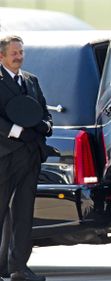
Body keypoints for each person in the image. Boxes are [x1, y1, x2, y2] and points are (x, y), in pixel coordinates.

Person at [0, 35, 52, 281]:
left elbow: (43, 110)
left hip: (30, 155)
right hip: (4, 156)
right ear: (1, 56)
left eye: (21, 52)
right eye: (14, 53)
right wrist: (18, 131)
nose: (19, 56)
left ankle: (18, 267)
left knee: (24, 214)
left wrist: (46, 126)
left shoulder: (31, 80)